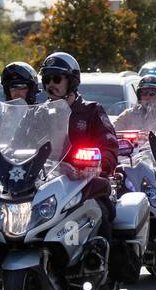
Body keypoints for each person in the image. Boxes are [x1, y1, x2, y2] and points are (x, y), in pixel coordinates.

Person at [39, 51, 119, 235]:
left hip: (82, 182)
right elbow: (20, 146)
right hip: (44, 182)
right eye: (47, 79)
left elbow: (109, 146)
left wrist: (98, 166)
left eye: (57, 79)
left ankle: (98, 258)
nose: (51, 84)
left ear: (72, 81)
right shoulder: (39, 114)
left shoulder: (91, 110)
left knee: (101, 211)